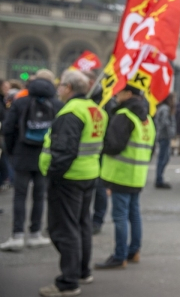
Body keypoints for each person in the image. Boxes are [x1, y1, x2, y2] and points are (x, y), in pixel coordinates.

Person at [38, 70, 108, 297]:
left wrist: (54, 174)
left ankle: (68, 282)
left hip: (68, 178)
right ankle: (82, 271)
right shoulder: (95, 110)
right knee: (82, 225)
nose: (58, 89)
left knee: (64, 230)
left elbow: (64, 151)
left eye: (60, 85)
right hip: (88, 175)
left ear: (68, 88)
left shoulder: (71, 112)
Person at [0, 69, 63, 252]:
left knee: (20, 195)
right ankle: (35, 233)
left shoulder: (21, 101)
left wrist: (12, 152)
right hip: (44, 155)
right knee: (39, 195)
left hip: (22, 153)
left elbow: (8, 129)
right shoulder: (57, 104)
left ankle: (17, 235)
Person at [95, 84, 155, 269]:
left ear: (128, 94)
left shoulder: (124, 115)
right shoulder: (146, 118)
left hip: (120, 173)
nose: (116, 94)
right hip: (137, 174)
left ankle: (119, 256)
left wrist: (100, 145)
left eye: (119, 91)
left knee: (120, 216)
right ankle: (133, 251)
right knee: (134, 214)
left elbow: (114, 145)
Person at [82, 70, 117, 236]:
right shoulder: (85, 99)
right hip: (85, 151)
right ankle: (83, 218)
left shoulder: (105, 101)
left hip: (100, 150)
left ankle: (97, 220)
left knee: (100, 188)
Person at [154, 93, 176, 189]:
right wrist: (171, 132)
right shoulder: (165, 109)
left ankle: (159, 178)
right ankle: (159, 179)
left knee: (163, 157)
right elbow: (164, 122)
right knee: (163, 158)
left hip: (163, 136)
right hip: (164, 136)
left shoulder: (162, 108)